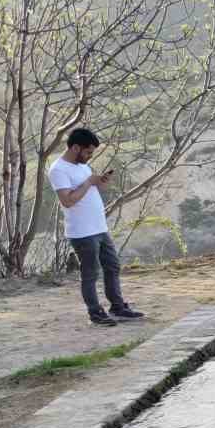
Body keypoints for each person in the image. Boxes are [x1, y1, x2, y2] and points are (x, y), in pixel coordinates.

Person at [48, 128, 143, 327]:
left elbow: (90, 189)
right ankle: (95, 313)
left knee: (112, 266)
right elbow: (67, 201)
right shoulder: (58, 170)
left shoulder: (82, 165)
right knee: (90, 273)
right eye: (88, 152)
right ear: (75, 147)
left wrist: (99, 182)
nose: (90, 156)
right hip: (82, 232)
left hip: (99, 227)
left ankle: (117, 307)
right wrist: (89, 182)